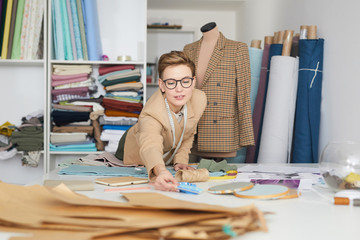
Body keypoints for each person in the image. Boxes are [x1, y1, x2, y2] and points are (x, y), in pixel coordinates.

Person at [115, 51, 207, 192]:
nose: (179, 89)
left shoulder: (199, 99)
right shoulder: (151, 112)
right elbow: (150, 145)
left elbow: (189, 132)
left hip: (167, 145)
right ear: (161, 85)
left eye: (185, 81)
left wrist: (180, 160)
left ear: (193, 82)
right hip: (133, 142)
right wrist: (161, 171)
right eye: (171, 83)